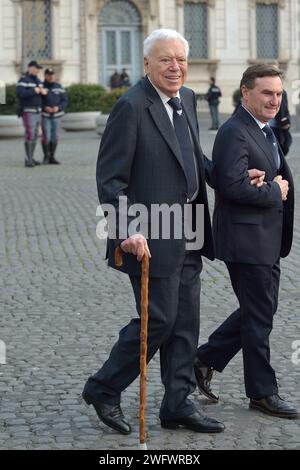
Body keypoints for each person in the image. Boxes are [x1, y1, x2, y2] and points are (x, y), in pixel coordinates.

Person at [82, 29, 225, 435]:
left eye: (181, 59)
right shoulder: (131, 106)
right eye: (166, 59)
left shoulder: (189, 99)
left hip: (191, 231)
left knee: (185, 323)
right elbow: (110, 180)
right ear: (147, 64)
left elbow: (194, 157)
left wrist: (231, 176)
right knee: (158, 320)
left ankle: (177, 403)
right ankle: (104, 387)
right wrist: (126, 228)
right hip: (149, 235)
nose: (176, 67)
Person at [194, 64, 299, 419]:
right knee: (259, 317)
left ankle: (205, 358)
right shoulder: (234, 131)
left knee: (262, 310)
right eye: (267, 93)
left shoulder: (264, 129)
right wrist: (275, 190)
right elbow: (230, 186)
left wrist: (271, 184)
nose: (274, 100)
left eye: (279, 94)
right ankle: (262, 392)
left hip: (265, 237)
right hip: (245, 238)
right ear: (246, 92)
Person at [16, 60, 47, 167]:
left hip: (38, 111)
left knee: (35, 135)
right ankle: (28, 159)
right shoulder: (24, 80)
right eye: (36, 68)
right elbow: (20, 93)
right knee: (30, 134)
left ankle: (31, 157)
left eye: (38, 68)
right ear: (30, 68)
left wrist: (44, 93)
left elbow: (41, 94)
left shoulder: (38, 80)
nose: (38, 70)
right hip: (29, 111)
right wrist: (34, 90)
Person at [41, 68, 68, 164]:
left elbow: (65, 100)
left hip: (57, 115)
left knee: (55, 137)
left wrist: (58, 107)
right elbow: (38, 101)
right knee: (46, 137)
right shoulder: (41, 86)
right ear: (45, 76)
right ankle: (46, 157)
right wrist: (45, 107)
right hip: (45, 115)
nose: (51, 76)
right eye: (49, 74)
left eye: (52, 74)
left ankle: (52, 157)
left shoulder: (59, 87)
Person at [270, 89, 292, 156]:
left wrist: (287, 120)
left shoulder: (283, 93)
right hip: (263, 127)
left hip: (277, 128)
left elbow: (286, 111)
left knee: (280, 152)